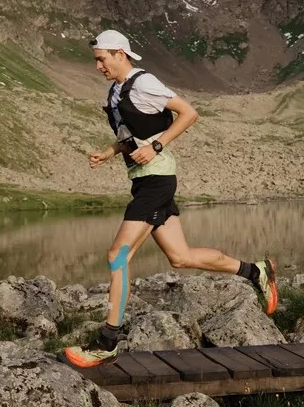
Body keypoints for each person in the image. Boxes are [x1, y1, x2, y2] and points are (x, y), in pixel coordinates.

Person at [62, 29, 279, 368]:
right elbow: (133, 136)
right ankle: (256, 271)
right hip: (143, 180)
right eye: (96, 61)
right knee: (180, 257)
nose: (98, 66)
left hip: (157, 180)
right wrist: (109, 152)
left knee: (117, 255)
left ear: (120, 53)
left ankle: (107, 342)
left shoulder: (145, 83)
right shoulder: (116, 91)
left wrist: (157, 146)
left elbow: (189, 113)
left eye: (101, 59)